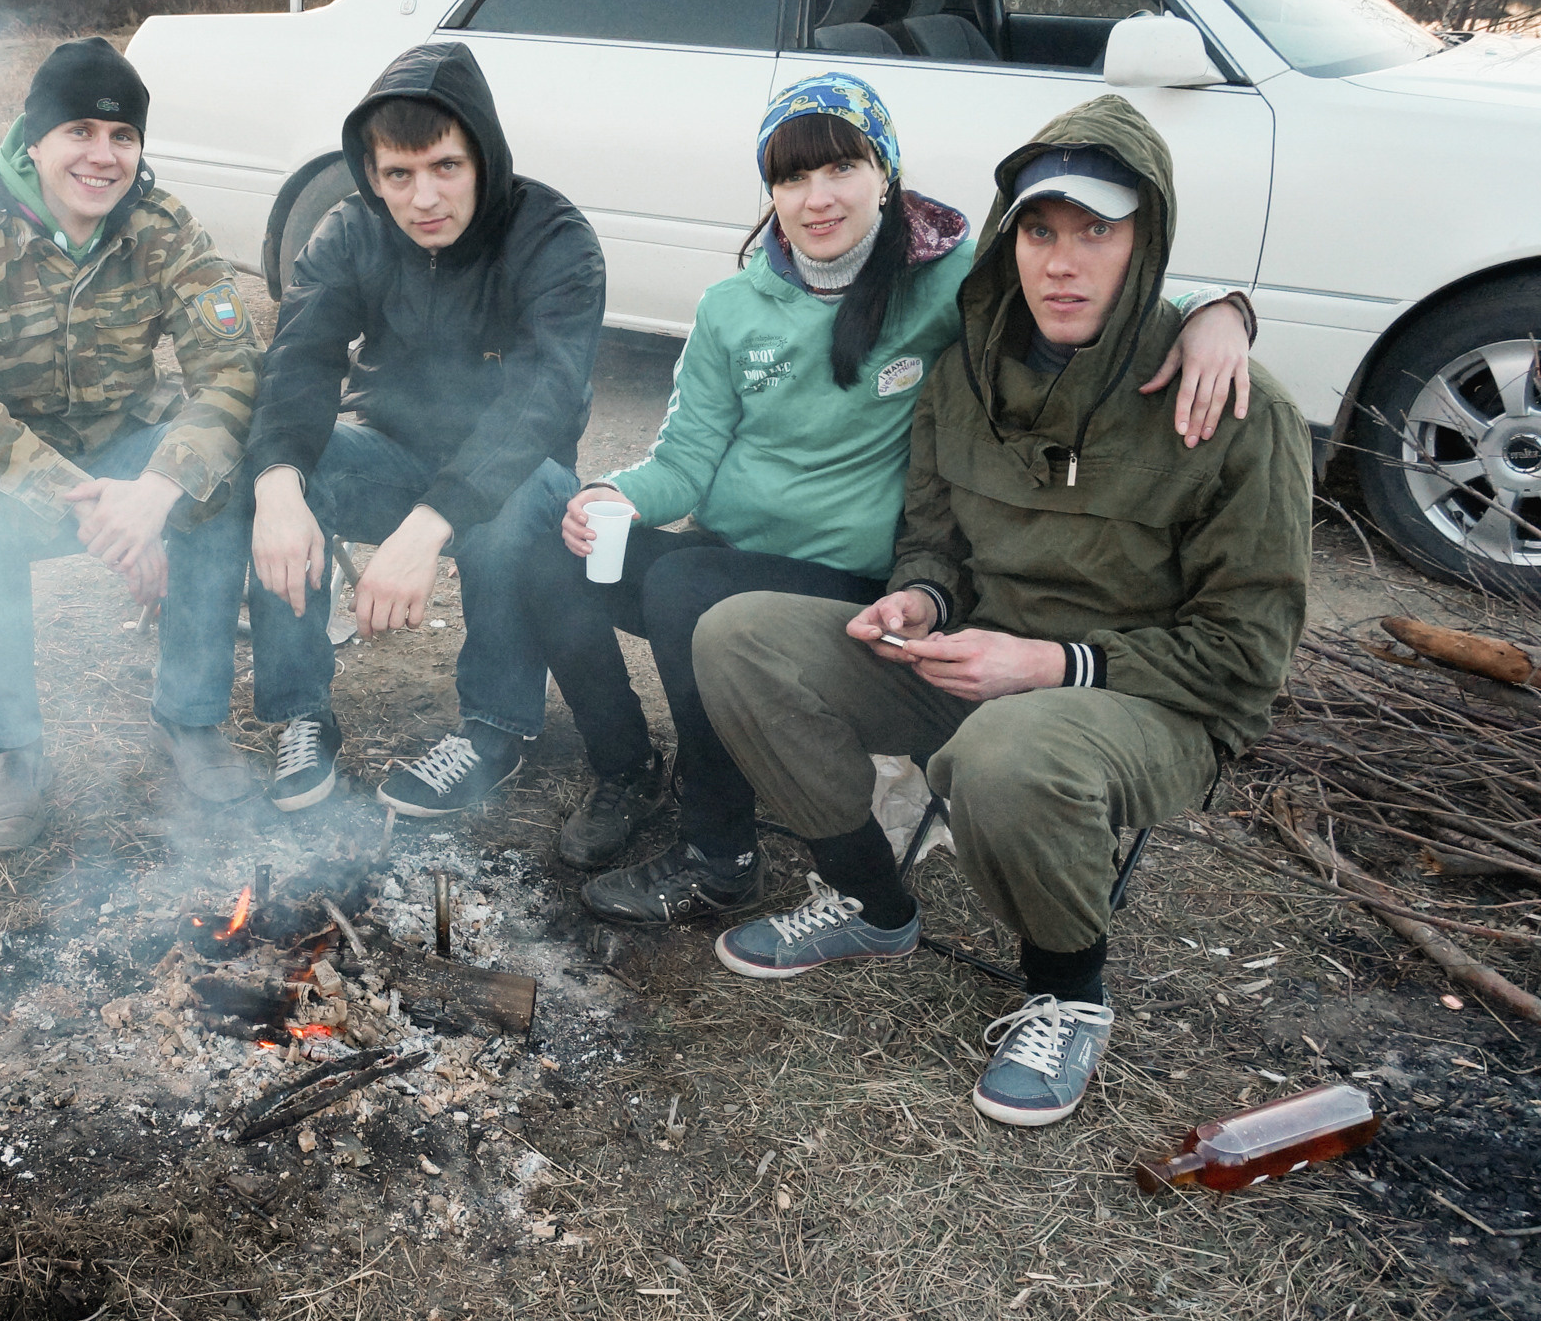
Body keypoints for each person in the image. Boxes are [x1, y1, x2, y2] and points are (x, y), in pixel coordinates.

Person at [692, 95, 1311, 1129]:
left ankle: (1067, 991)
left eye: (1095, 233)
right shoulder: (964, 374)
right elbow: (932, 537)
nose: (1061, 263)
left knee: (1008, 755)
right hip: (977, 669)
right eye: (1039, 231)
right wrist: (920, 597)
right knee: (740, 636)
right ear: (1007, 237)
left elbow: (1243, 660)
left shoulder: (1242, 410)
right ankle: (870, 901)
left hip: (1144, 702)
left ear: (1144, 242)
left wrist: (1050, 666)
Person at [535, 73, 1253, 918]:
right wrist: (609, 495)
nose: (817, 197)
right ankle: (627, 770)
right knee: (551, 555)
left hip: (861, 583)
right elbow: (684, 463)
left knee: (682, 593)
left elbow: (1088, 286)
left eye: (841, 167)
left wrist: (1218, 309)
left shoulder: (947, 282)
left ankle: (719, 852)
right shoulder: (734, 307)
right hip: (733, 553)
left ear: (886, 171)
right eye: (792, 178)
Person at [0, 37, 259, 850]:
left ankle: (190, 719)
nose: (103, 156)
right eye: (80, 133)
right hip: (21, 480)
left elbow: (233, 374)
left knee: (218, 482)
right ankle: (15, 748)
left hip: (129, 461)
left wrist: (158, 490)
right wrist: (97, 511)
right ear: (35, 141)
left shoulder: (162, 229)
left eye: (122, 137)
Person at [242, 41, 605, 817]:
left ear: (482, 155)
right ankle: (300, 712)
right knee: (282, 478)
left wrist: (427, 526)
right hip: (390, 451)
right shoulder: (350, 231)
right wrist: (277, 486)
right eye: (398, 175)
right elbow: (299, 359)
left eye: (445, 166)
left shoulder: (552, 236)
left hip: (519, 470)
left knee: (507, 514)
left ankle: (493, 731)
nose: (423, 198)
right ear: (372, 174)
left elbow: (542, 399)